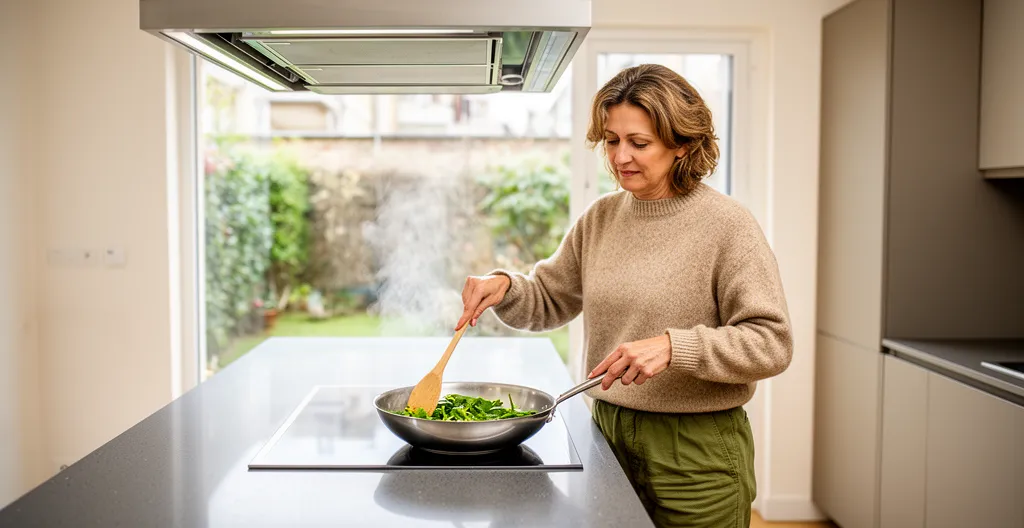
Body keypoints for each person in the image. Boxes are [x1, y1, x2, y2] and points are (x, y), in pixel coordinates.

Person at [456, 63, 793, 527]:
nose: (620, 157)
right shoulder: (602, 218)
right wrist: (506, 287)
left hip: (695, 447)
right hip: (607, 432)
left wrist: (676, 346)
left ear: (682, 145)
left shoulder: (727, 226)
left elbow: (771, 343)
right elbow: (550, 298)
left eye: (639, 143)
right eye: (612, 140)